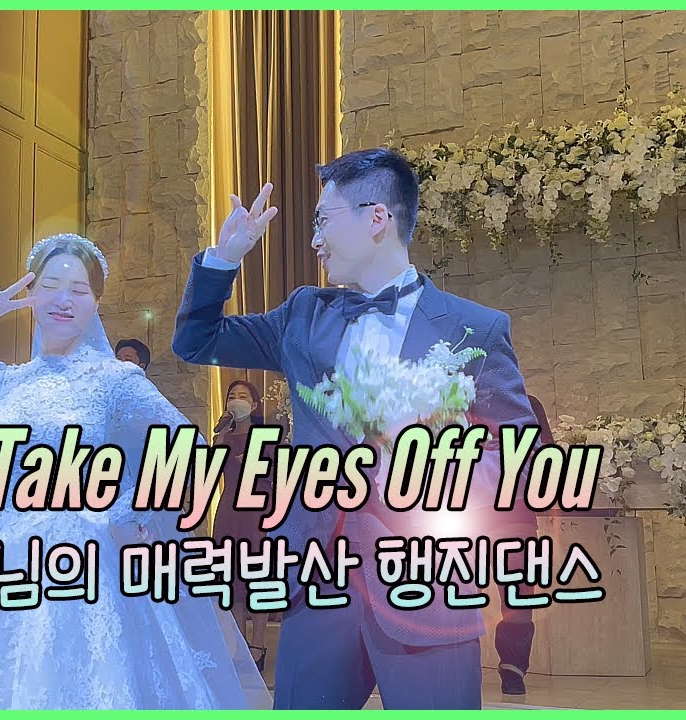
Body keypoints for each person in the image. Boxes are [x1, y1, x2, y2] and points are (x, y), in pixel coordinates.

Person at [172, 148, 539, 710]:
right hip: (317, 580)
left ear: (377, 218)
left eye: (324, 219)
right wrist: (225, 259)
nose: (315, 239)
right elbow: (197, 342)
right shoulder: (302, 316)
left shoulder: (475, 328)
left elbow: (517, 454)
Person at [0, 233, 269, 710]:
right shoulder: (4, 382)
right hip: (5, 553)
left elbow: (186, 443)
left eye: (79, 290)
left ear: (96, 303)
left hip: (89, 555)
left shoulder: (114, 379)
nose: (64, 300)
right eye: (50, 286)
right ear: (31, 294)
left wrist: (129, 509)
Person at [210, 379, 272, 670]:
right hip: (229, 511)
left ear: (254, 405)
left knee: (257, 577)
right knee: (232, 580)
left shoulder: (265, 436)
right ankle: (240, 646)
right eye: (232, 396)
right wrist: (221, 433)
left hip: (257, 512)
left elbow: (276, 473)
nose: (236, 400)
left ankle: (258, 644)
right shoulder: (222, 436)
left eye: (243, 396)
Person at [492, 393, 552, 695]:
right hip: (462, 509)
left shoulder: (527, 403)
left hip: (513, 512)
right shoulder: (448, 403)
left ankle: (513, 668)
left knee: (517, 596)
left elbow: (546, 456)